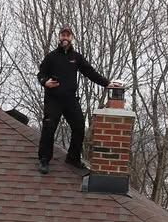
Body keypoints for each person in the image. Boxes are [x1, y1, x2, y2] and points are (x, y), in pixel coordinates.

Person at [37, 26, 114, 174]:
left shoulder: (76, 57)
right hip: (53, 99)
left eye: (68, 35)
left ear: (71, 38)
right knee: (49, 128)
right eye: (63, 35)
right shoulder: (51, 56)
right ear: (59, 37)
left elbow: (90, 72)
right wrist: (45, 82)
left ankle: (73, 158)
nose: (65, 37)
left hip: (70, 99)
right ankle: (44, 160)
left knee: (79, 127)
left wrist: (107, 83)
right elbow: (41, 74)